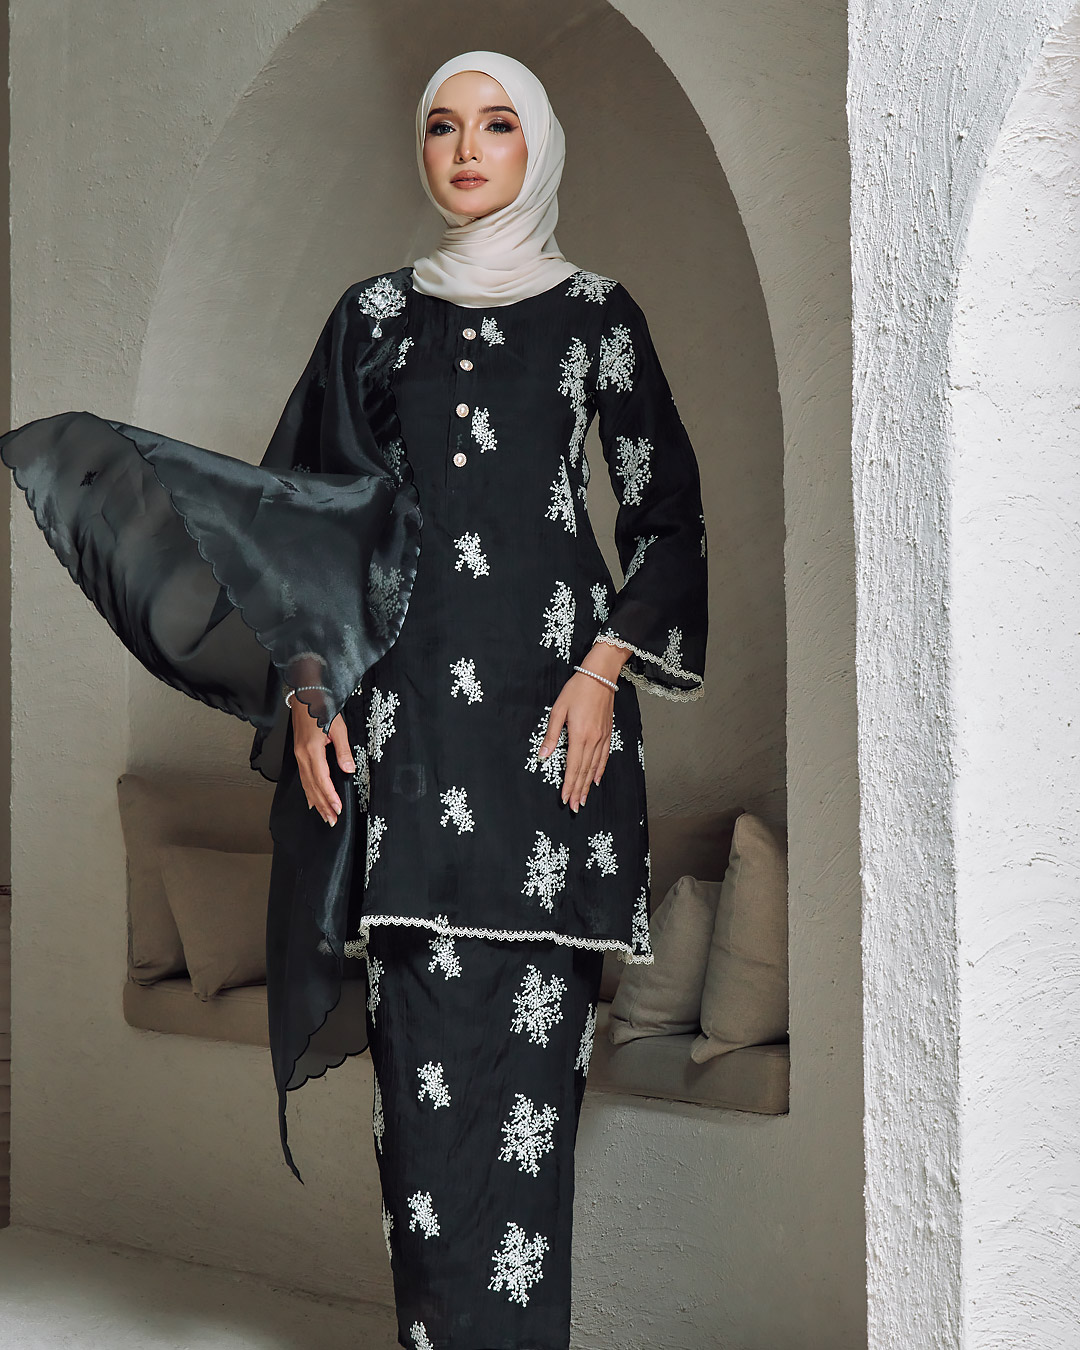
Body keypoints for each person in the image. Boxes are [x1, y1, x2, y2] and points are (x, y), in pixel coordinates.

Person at [1, 49, 707, 1350]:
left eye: (496, 124)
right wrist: (311, 691)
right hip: (410, 741)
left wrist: (604, 671)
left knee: (532, 1102)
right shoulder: (372, 319)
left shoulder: (599, 318)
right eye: (442, 126)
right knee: (423, 1107)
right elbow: (301, 524)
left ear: (537, 145)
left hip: (553, 747)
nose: (467, 148)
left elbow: (669, 519)